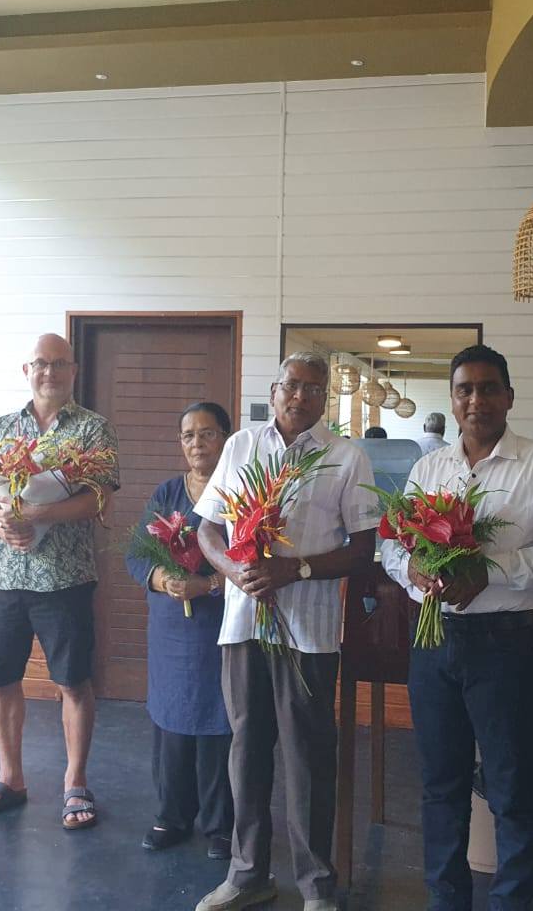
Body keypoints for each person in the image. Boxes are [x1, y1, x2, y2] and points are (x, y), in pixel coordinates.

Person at [382, 344, 533, 911]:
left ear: (508, 397)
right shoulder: (428, 468)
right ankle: (446, 901)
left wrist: (489, 570)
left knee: (512, 790)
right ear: (452, 399)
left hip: (505, 645)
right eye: (465, 389)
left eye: (488, 388)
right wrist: (414, 571)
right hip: (434, 641)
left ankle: (513, 902)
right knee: (440, 787)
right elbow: (391, 548)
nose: (476, 400)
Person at [193, 351, 379, 911]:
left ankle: (317, 886)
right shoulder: (241, 446)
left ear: (325, 398)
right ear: (274, 390)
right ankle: (248, 874)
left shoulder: (346, 458)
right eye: (291, 385)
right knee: (246, 750)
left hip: (308, 633)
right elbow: (208, 530)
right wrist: (233, 570)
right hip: (243, 623)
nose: (300, 396)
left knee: (308, 757)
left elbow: (362, 550)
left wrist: (293, 569)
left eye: (313, 389)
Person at [0, 333, 120, 831]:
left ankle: (75, 782)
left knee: (72, 681)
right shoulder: (0, 428)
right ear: (26, 370)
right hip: (5, 577)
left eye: (58, 363)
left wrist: (39, 512)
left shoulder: (93, 429)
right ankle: (10, 779)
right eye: (40, 364)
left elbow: (99, 498)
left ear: (74, 371)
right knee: (2, 679)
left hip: (65, 578)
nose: (49, 372)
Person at [126, 402, 233, 860]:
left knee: (219, 724)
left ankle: (221, 825)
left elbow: (253, 560)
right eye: (189, 435)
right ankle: (172, 815)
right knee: (172, 721)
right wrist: (162, 578)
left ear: (226, 438)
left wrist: (207, 584)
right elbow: (136, 554)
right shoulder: (167, 493)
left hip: (221, 629)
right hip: (172, 633)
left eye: (207, 433)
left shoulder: (238, 493)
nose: (197, 443)